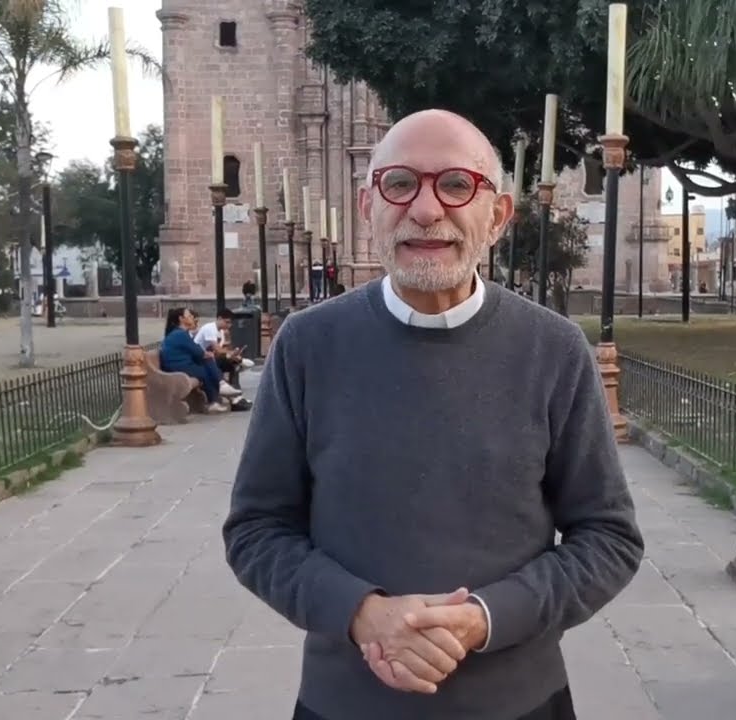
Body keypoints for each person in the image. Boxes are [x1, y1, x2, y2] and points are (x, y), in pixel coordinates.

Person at [223, 109, 644, 720]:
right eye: (400, 184)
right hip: (345, 704)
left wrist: (485, 618)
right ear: (368, 206)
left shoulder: (553, 350)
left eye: (456, 185)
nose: (425, 210)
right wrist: (364, 614)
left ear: (498, 215)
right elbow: (257, 530)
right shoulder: (308, 346)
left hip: (518, 703)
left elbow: (608, 538)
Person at [160, 307, 233, 414]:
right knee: (206, 370)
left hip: (183, 364)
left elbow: (197, 351)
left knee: (207, 362)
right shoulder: (180, 334)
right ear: (181, 319)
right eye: (189, 316)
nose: (192, 318)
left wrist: (205, 354)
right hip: (177, 367)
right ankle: (218, 390)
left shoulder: (180, 333)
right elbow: (198, 351)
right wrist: (206, 354)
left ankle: (218, 391)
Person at [194, 308, 253, 411]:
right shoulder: (209, 328)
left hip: (210, 359)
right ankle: (230, 391)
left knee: (233, 364)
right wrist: (230, 353)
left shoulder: (220, 332)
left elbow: (218, 352)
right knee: (230, 362)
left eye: (230, 323)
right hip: (201, 360)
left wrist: (232, 355)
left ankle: (236, 393)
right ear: (219, 318)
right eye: (227, 322)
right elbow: (217, 349)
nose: (228, 325)